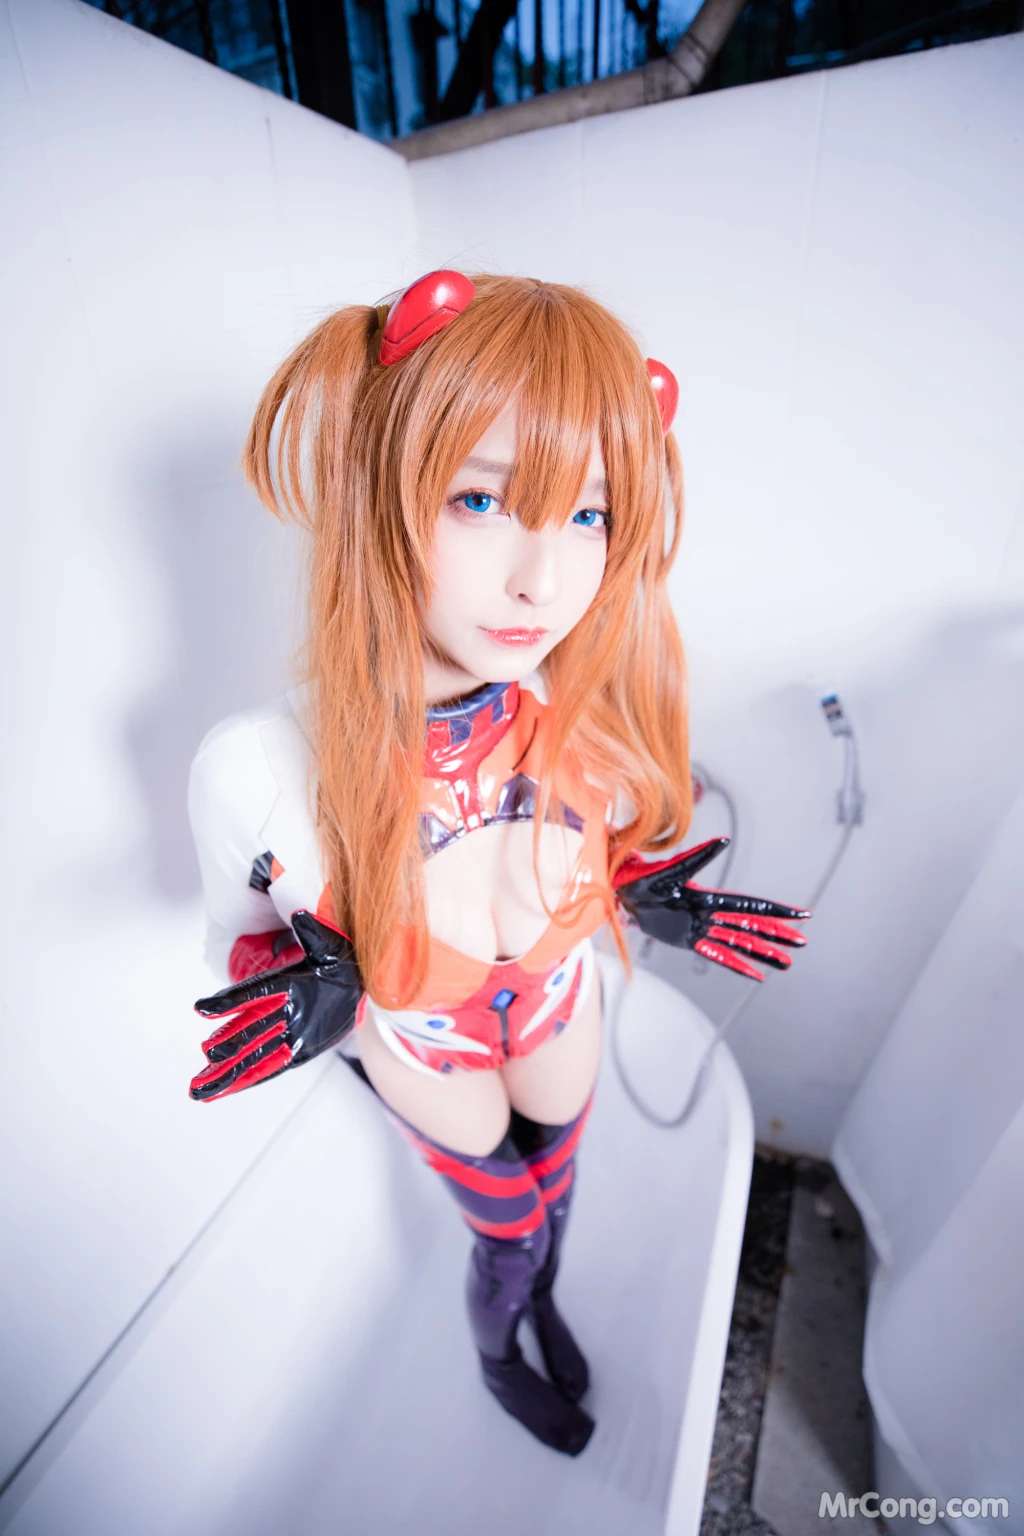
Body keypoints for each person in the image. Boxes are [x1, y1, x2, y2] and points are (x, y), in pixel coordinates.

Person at [185, 270, 813, 1458]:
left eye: (588, 516)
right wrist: (307, 987)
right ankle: (498, 1348)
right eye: (481, 499)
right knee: (509, 1228)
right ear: (380, 490)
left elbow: (581, 845)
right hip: (427, 1046)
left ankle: (542, 1300)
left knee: (557, 1194)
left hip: (560, 1009)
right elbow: (229, 940)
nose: (544, 580)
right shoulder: (259, 769)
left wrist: (628, 888)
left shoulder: (576, 715)